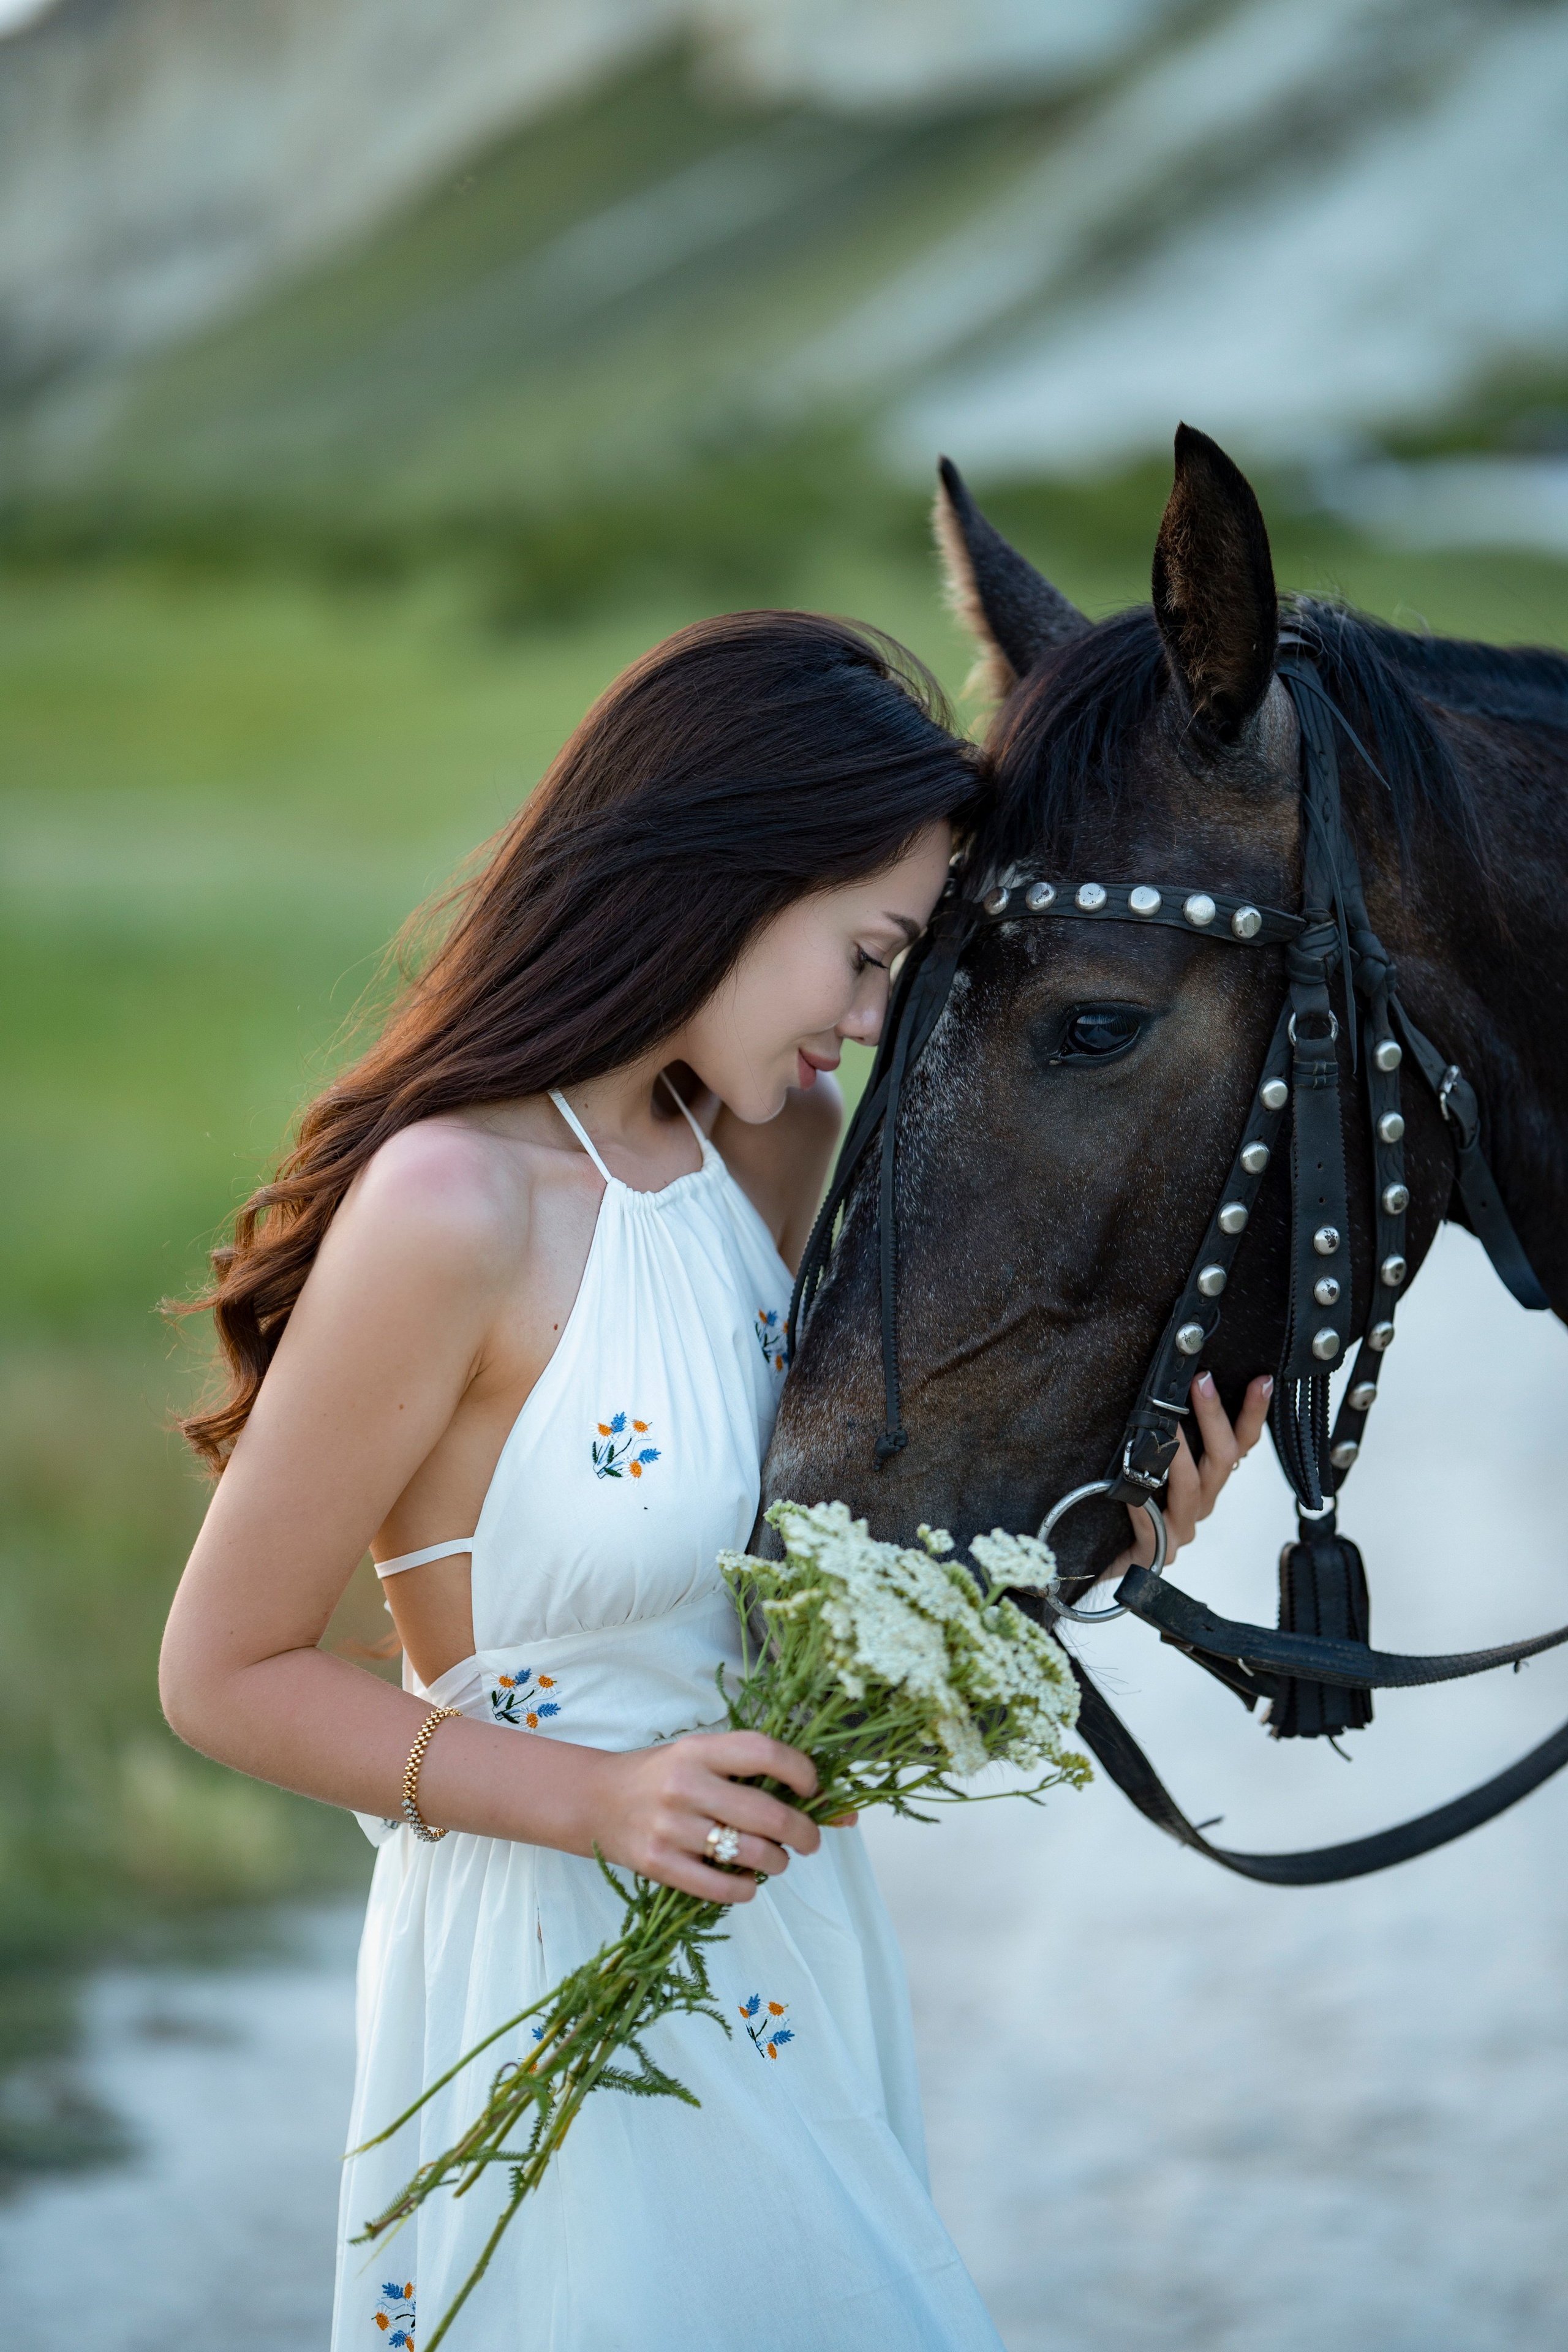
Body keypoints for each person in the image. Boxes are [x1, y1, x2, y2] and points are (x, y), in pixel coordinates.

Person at [159, 610, 1264, 2350]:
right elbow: (222, 1674)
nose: (873, 1020)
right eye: (868, 955)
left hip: (785, 1938)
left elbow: (802, 1577)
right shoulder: (452, 1207)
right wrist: (599, 1803)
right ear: (733, 877)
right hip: (542, 1947)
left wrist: (1104, 1545)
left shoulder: (767, 1150)